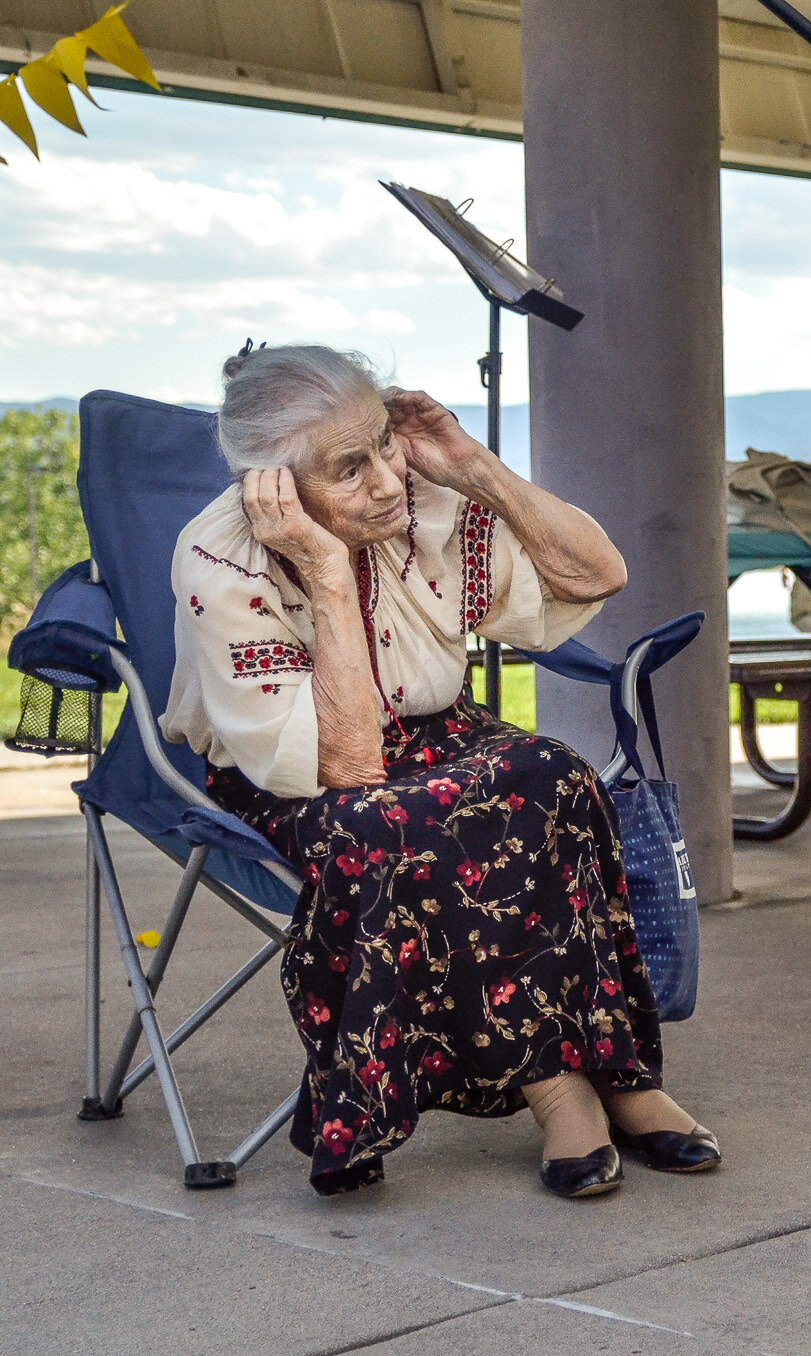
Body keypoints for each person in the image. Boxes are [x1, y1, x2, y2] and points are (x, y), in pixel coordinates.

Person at [162, 344, 720, 1199]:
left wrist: (473, 467)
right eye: (349, 469)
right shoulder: (221, 560)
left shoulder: (420, 501)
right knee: (402, 823)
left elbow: (597, 574)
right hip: (296, 770)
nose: (386, 482)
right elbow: (347, 767)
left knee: (552, 774)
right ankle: (558, 1086)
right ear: (274, 487)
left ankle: (623, 1072)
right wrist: (323, 567)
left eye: (383, 442)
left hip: (436, 735)